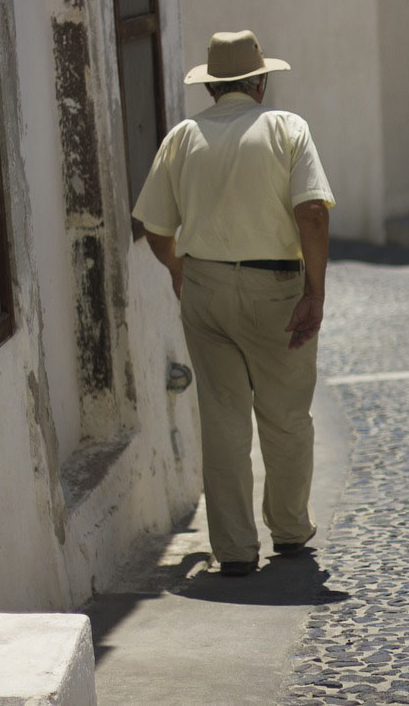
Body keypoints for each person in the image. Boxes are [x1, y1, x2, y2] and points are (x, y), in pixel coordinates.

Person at [133, 30, 334, 577]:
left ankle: (236, 551)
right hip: (276, 291)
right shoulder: (287, 129)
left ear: (215, 86)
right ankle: (290, 531)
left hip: (204, 288)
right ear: (261, 79)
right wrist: (315, 294)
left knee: (222, 421)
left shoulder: (182, 136)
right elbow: (312, 212)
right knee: (286, 416)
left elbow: (153, 226)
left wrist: (181, 271)